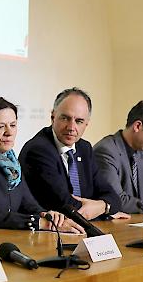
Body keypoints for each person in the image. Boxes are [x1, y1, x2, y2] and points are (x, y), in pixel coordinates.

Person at [0, 97, 84, 233]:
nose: (9, 133)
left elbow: (29, 205)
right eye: (0, 127)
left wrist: (48, 216)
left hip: (2, 241)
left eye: (13, 125)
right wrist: (38, 222)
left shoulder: (12, 166)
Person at [19, 87, 127, 221]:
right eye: (65, 118)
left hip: (78, 229)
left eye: (79, 121)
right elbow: (64, 204)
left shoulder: (84, 148)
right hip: (48, 233)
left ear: (86, 124)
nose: (71, 127)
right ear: (53, 117)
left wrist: (103, 206)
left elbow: (112, 196)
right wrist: (105, 209)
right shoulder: (38, 150)